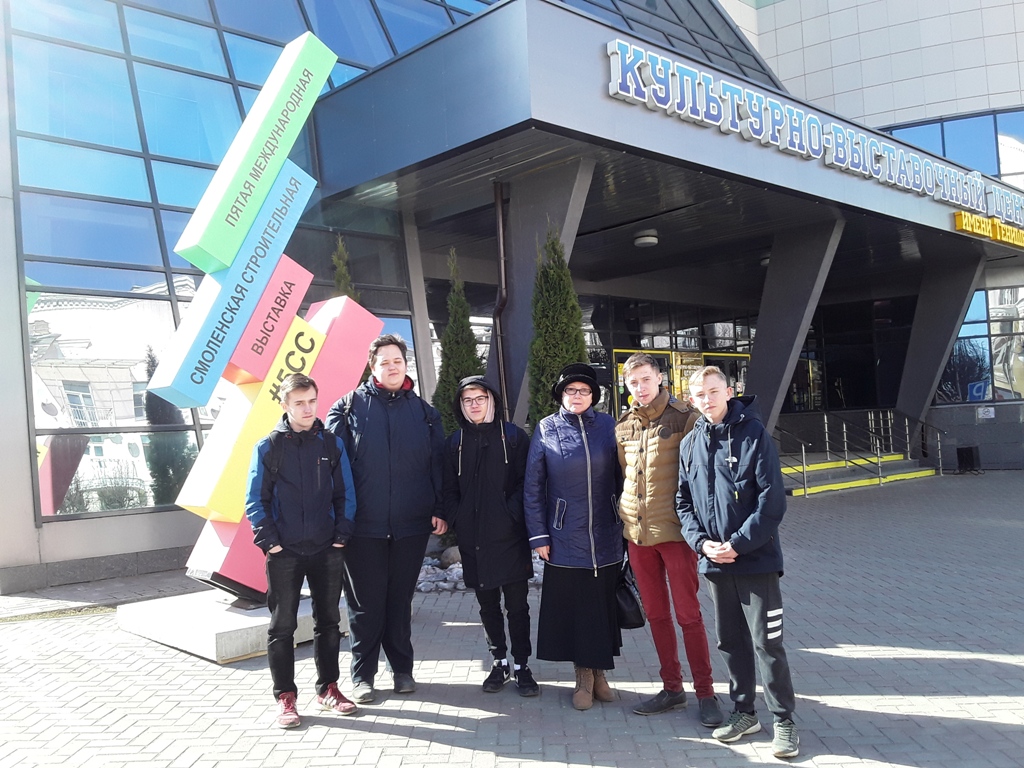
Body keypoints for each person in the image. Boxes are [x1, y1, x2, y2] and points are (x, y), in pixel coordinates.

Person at [675, 366, 799, 759]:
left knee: (767, 643)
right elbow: (683, 502)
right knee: (730, 642)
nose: (707, 399)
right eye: (700, 394)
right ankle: (745, 712)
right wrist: (702, 544)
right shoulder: (690, 443)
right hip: (715, 563)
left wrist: (738, 544)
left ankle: (784, 721)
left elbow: (771, 501)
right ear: (691, 399)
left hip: (756, 561)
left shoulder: (754, 434)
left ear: (729, 392)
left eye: (713, 391)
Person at [325, 334, 447, 704]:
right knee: (365, 605)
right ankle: (362, 676)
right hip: (363, 528)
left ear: (405, 365)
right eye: (384, 362)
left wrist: (440, 508)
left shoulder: (425, 413)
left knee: (399, 601)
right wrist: (338, 519)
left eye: (397, 361)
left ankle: (402, 670)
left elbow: (438, 466)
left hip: (411, 526)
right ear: (372, 366)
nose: (392, 367)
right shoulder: (347, 408)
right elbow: (331, 470)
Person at [614, 353, 724, 726]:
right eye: (633, 382)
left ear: (660, 378)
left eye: (646, 379)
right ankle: (672, 688)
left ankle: (706, 693)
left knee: (688, 615)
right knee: (657, 615)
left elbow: (701, 475)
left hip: (676, 535)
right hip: (638, 536)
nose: (640, 387)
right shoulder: (624, 425)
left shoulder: (685, 418)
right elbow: (626, 475)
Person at [245, 373, 358, 728]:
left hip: (327, 548)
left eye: (311, 401)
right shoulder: (268, 447)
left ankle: (328, 689)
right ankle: (286, 698)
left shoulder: (331, 445)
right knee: (282, 627)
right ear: (285, 405)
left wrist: (341, 535)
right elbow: (255, 500)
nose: (307, 409)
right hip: (285, 553)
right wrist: (272, 543)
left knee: (329, 622)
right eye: (299, 403)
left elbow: (346, 493)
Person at [524, 363, 624, 711]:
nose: (577, 395)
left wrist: (627, 523)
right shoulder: (547, 429)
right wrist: (539, 535)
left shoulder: (609, 426)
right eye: (570, 390)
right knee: (578, 610)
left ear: (593, 396)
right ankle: (583, 677)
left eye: (583, 390)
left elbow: (624, 478)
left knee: (601, 608)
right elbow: (533, 487)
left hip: (606, 535)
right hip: (564, 536)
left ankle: (599, 675)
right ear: (561, 395)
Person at [442, 376, 538, 696]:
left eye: (480, 398)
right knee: (488, 606)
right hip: (475, 540)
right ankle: (499, 662)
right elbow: (448, 489)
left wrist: (511, 515)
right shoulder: (454, 444)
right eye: (467, 400)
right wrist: (459, 519)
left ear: (491, 400)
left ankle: (522, 665)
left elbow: (527, 483)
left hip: (510, 537)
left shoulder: (514, 437)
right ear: (460, 405)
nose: (474, 405)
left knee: (517, 606)